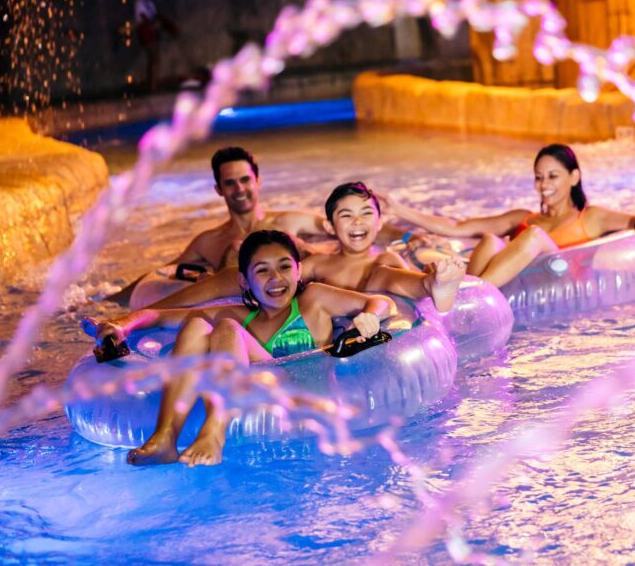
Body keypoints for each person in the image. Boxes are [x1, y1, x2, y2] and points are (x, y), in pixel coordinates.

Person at [92, 230, 396, 467]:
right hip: (258, 401)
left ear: (298, 270)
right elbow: (158, 316)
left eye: (284, 267)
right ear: (244, 280)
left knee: (225, 327)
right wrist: (122, 325)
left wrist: (370, 316)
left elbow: (384, 302)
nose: (276, 278)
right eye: (262, 270)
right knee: (198, 325)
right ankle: (165, 437)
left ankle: (213, 431)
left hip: (304, 403)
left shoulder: (314, 301)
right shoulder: (240, 314)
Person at [382, 143, 635, 288]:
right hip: (512, 286)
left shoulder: (593, 218)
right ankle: (467, 293)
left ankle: (476, 293)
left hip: (559, 286)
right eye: (539, 177)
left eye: (552, 176)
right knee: (492, 237)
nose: (544, 185)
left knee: (535, 239)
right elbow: (456, 227)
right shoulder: (525, 219)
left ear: (574, 177)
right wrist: (397, 209)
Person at [108, 147, 417, 305]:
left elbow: (350, 227)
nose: (240, 189)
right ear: (219, 190)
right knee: (234, 254)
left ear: (258, 181)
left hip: (295, 292)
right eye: (230, 183)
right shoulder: (210, 241)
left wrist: (406, 236)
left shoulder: (287, 221)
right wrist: (112, 299)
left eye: (245, 180)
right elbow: (164, 271)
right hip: (245, 302)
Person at [144, 182, 466, 312]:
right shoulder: (318, 263)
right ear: (329, 227)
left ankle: (433, 286)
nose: (358, 222)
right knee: (237, 274)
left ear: (379, 223)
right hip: (320, 325)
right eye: (346, 216)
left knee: (384, 274)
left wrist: (431, 279)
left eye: (367, 214)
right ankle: (156, 310)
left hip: (376, 294)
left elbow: (395, 278)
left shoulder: (385, 256)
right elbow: (288, 282)